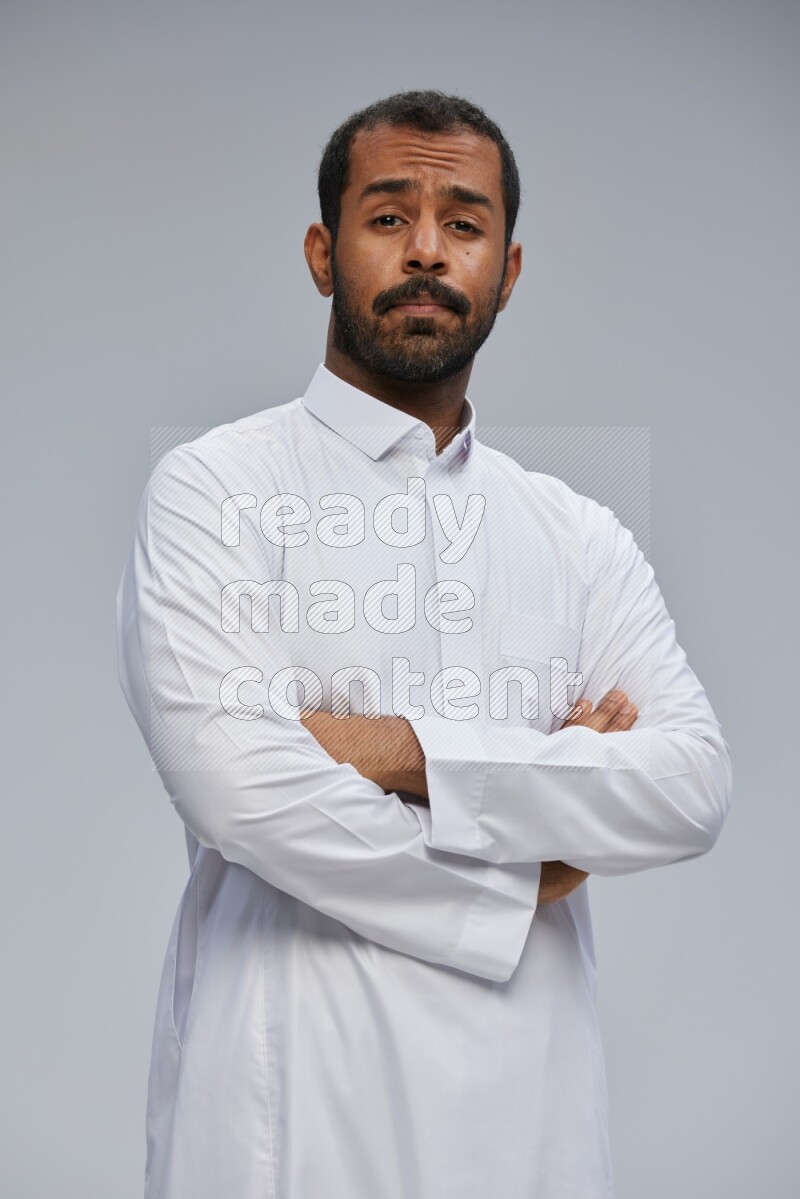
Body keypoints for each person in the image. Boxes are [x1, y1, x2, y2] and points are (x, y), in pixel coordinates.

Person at [116, 89, 732, 1199]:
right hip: (283, 1105)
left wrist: (383, 748)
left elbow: (687, 783)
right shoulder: (215, 488)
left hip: (528, 1115)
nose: (426, 252)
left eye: (464, 223)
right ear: (321, 251)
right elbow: (238, 784)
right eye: (387, 216)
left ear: (507, 269)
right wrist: (535, 835)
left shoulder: (575, 532)